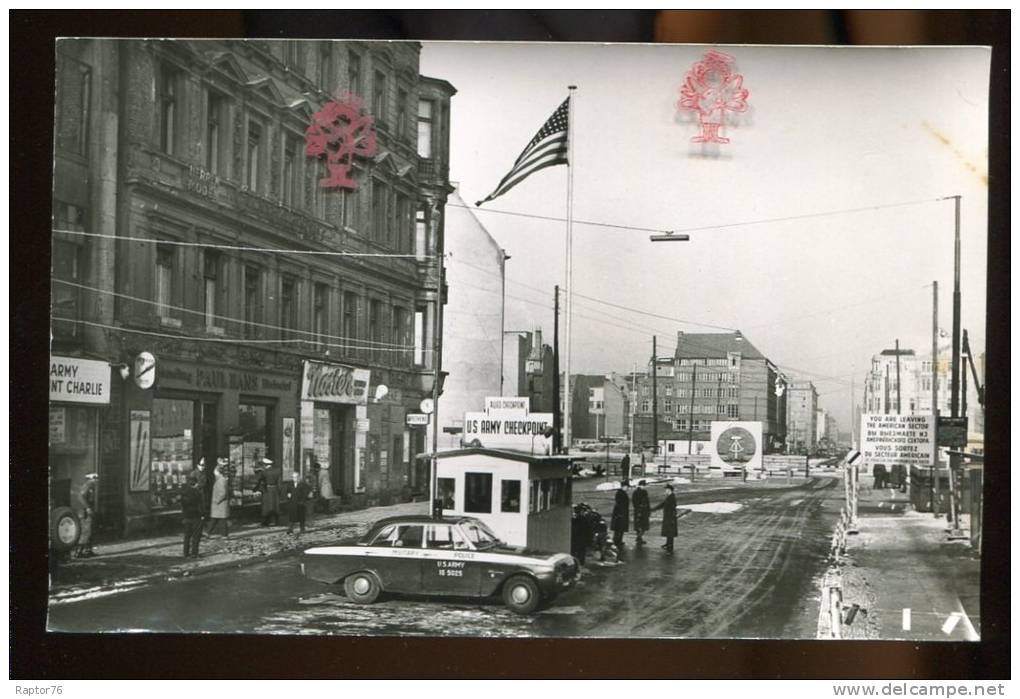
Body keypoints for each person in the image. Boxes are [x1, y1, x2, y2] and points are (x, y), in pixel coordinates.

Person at [180, 473, 204, 558]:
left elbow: (182, 505)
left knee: (187, 536)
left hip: (186, 516)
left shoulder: (184, 492)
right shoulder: (197, 493)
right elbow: (200, 506)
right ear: (196, 483)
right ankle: (194, 552)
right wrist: (202, 515)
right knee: (196, 536)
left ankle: (185, 553)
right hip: (196, 516)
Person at [75, 473, 99, 558]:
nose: (96, 480)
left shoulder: (91, 486)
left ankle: (87, 550)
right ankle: (78, 552)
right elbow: (80, 497)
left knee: (90, 530)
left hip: (88, 511)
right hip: (85, 512)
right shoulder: (88, 485)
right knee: (86, 531)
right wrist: (88, 507)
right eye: (94, 478)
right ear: (90, 478)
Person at [651, 483, 678, 554]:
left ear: (669, 490)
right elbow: (663, 504)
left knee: (670, 533)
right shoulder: (669, 496)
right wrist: (654, 509)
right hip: (668, 517)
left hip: (670, 518)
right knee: (668, 532)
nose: (665, 491)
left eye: (666, 490)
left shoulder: (672, 498)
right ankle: (667, 544)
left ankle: (670, 548)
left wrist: (672, 519)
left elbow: (673, 509)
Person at [255, 457, 282, 526]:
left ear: (265, 464)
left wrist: (259, 490)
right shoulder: (277, 471)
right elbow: (279, 483)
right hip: (275, 490)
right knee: (275, 506)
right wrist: (279, 491)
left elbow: (260, 481)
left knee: (266, 506)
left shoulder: (264, 472)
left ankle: (265, 522)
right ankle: (276, 521)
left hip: (267, 490)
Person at [206, 459, 231, 537]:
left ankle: (223, 535)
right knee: (215, 519)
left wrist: (217, 500)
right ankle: (208, 532)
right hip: (220, 505)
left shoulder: (220, 480)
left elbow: (223, 493)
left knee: (220, 520)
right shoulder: (221, 479)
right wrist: (220, 464)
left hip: (219, 504)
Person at [611, 479, 631, 549]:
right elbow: (619, 504)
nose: (628, 488)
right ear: (623, 486)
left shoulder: (622, 493)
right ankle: (616, 541)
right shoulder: (619, 493)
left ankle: (619, 540)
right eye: (627, 487)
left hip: (622, 513)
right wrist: (621, 513)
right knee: (618, 528)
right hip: (620, 514)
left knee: (621, 528)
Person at [632, 479, 651, 546]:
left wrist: (648, 510)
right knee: (641, 526)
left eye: (644, 486)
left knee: (642, 526)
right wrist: (639, 510)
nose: (644, 487)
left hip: (643, 511)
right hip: (640, 511)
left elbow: (647, 502)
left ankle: (639, 538)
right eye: (643, 485)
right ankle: (639, 538)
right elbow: (635, 503)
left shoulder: (644, 492)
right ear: (640, 485)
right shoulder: (637, 493)